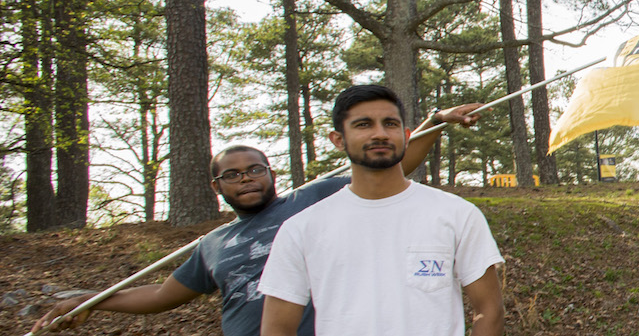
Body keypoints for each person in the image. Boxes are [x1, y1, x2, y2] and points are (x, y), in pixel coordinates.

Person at [31, 104, 483, 336]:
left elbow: (395, 163)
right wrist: (91, 302)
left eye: (255, 170)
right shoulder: (212, 244)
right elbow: (160, 295)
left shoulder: (313, 202)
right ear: (217, 187)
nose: (246, 179)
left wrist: (436, 120)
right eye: (232, 175)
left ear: (271, 174)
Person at [259, 85, 504, 336]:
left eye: (390, 124)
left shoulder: (457, 214)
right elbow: (277, 328)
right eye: (363, 125)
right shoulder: (301, 229)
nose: (380, 134)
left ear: (406, 135)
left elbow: (489, 311)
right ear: (338, 140)